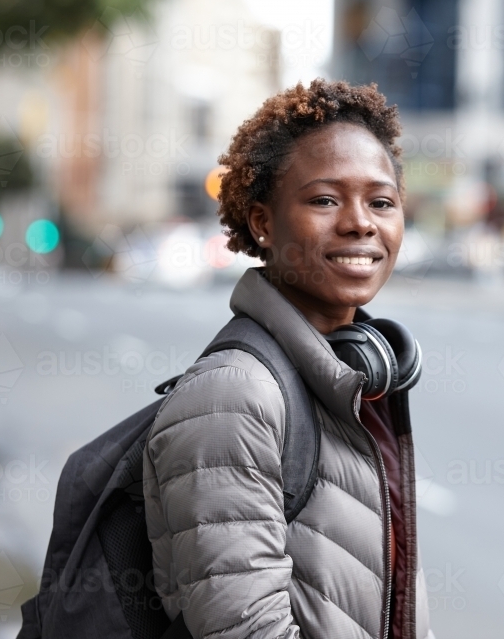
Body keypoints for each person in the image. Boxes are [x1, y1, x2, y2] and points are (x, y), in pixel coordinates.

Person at [142, 79, 433, 639]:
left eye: (381, 201)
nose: (360, 223)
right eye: (325, 199)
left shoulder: (356, 380)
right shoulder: (232, 396)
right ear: (262, 223)